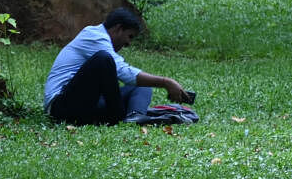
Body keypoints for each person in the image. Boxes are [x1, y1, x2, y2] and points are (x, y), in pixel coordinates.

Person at [43, 8, 191, 125]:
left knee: (143, 85)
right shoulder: (94, 36)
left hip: (87, 105)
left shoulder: (101, 39)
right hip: (61, 107)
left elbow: (131, 77)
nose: (128, 43)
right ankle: (119, 116)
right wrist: (166, 82)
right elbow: (124, 72)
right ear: (118, 29)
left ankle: (135, 116)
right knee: (103, 59)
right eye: (129, 36)